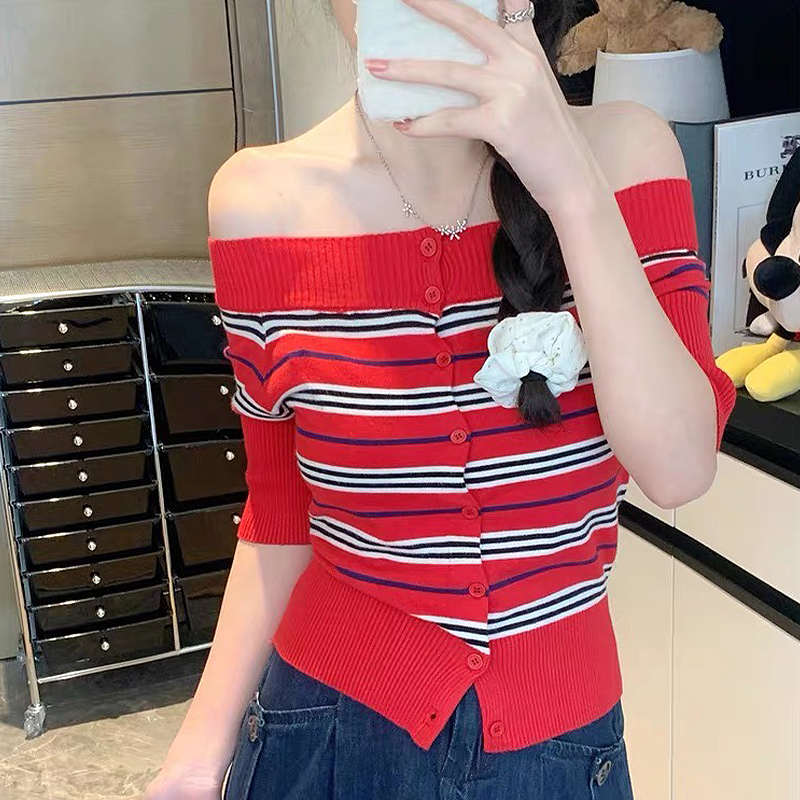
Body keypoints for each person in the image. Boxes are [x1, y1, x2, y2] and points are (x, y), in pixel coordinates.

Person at [145, 0, 736, 798]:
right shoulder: (258, 201)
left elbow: (679, 468)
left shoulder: (627, 154)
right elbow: (282, 510)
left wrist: (571, 185)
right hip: (324, 735)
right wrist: (193, 759)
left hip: (563, 748)